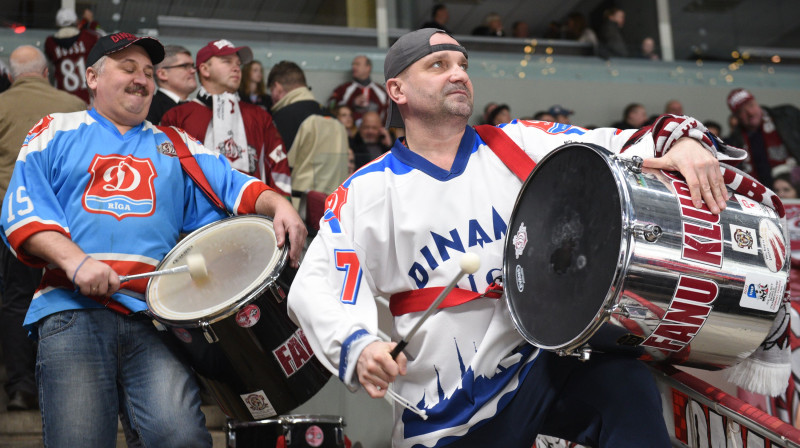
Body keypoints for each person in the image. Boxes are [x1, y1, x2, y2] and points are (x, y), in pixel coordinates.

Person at [286, 28, 742, 448]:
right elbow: (319, 282)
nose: (459, 73)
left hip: (540, 362)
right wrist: (360, 345)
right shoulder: (367, 190)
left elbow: (614, 145)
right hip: (445, 409)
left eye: (462, 63)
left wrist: (677, 142)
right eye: (438, 65)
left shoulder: (518, 142)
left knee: (625, 386)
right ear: (397, 90)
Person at [0, 32, 305, 447]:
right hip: (72, 310)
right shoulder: (55, 130)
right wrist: (77, 263)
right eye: (128, 68)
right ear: (91, 76)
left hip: (155, 319)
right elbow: (23, 213)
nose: (141, 79)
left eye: (147, 71)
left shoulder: (175, 144)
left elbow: (235, 184)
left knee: (180, 437)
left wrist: (278, 204)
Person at [0, 45, 86, 412]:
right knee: (69, 296)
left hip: (12, 222)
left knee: (16, 299)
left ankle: (21, 387)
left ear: (8, 75)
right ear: (48, 72)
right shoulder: (76, 107)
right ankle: (72, 385)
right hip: (69, 224)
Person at [161, 39, 291, 195]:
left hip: (252, 214)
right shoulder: (177, 116)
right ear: (204, 70)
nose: (236, 68)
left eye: (238, 63)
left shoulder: (260, 116)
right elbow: (168, 173)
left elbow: (279, 166)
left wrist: (282, 204)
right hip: (196, 217)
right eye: (227, 62)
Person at [266, 60, 349, 206]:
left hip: (299, 216)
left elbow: (275, 172)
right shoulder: (337, 122)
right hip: (336, 212)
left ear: (277, 88)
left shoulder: (284, 118)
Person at [725, 88, 800, 186]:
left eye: (751, 105)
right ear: (736, 116)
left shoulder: (787, 116)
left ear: (756, 102)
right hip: (762, 194)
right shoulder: (734, 142)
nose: (750, 113)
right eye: (742, 111)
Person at [44, 7, 101, 103]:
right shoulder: (88, 37)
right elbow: (101, 35)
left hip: (64, 100)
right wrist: (92, 22)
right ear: (76, 22)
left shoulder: (50, 43)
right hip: (88, 98)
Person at [328, 55, 390, 125]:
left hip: (376, 133)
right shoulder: (343, 89)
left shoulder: (380, 91)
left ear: (368, 68)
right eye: (353, 64)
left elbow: (390, 112)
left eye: (357, 64)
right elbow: (331, 108)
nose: (353, 67)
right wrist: (352, 103)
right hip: (350, 133)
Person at [146, 44, 197, 125]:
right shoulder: (148, 106)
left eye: (192, 66)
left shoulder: (200, 107)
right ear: (162, 74)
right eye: (185, 66)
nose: (193, 71)